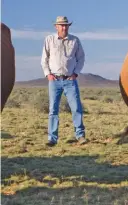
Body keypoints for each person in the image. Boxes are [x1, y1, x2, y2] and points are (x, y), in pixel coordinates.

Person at [41, 16, 87, 147]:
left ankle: (80, 135)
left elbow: (81, 58)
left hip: (70, 80)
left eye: (66, 25)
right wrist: (48, 74)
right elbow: (44, 59)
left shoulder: (75, 40)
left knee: (76, 108)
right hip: (54, 80)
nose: (64, 27)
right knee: (53, 110)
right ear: (56, 27)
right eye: (61, 25)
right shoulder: (49, 40)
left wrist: (76, 73)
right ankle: (52, 138)